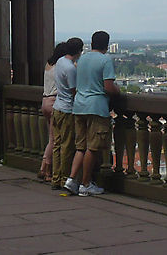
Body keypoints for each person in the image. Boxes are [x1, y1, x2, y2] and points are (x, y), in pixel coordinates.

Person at [65, 30, 120, 197]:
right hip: (96, 107)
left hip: (79, 106)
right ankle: (86, 184)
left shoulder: (82, 59)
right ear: (107, 44)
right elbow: (109, 87)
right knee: (93, 147)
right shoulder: (105, 60)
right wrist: (118, 92)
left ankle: (71, 180)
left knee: (80, 147)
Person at [51, 36, 83, 190]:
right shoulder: (70, 68)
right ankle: (65, 179)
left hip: (56, 107)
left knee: (57, 144)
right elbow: (74, 90)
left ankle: (55, 178)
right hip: (67, 109)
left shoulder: (60, 62)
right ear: (79, 51)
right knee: (66, 146)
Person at [39, 42, 68, 181]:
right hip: (54, 101)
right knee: (54, 139)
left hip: (45, 101)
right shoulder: (60, 66)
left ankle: (45, 168)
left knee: (51, 137)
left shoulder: (48, 64)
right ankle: (45, 169)